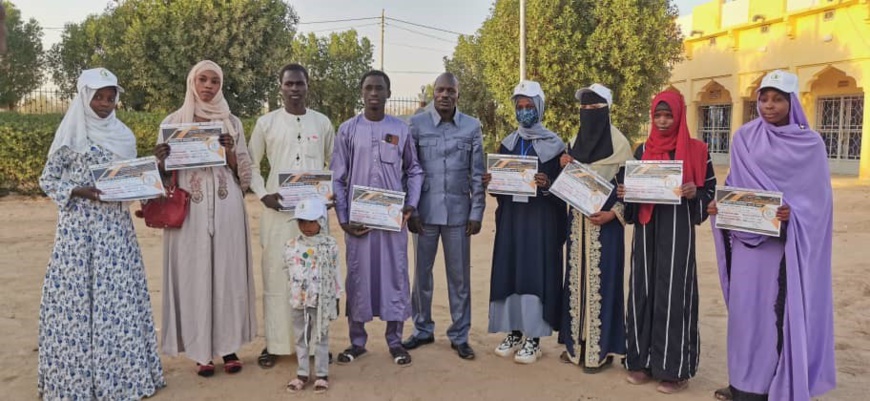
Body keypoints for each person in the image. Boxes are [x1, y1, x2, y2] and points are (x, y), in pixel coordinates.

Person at [708, 70, 836, 401]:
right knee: (744, 315)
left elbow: (819, 204)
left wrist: (794, 214)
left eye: (777, 99)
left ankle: (770, 386)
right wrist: (722, 207)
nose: (768, 105)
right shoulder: (744, 137)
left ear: (792, 102)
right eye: (763, 98)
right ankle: (742, 383)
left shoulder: (810, 145)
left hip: (783, 250)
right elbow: (736, 185)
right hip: (749, 245)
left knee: (772, 315)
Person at [38, 68, 165, 399]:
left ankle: (122, 380)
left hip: (115, 232)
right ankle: (75, 383)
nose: (106, 103)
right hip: (78, 235)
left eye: (111, 97)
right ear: (84, 96)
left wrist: (157, 168)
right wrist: (80, 190)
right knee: (76, 303)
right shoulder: (71, 137)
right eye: (99, 97)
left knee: (117, 302)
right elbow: (48, 180)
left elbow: (136, 185)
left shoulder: (123, 136)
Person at [153, 60, 257, 377]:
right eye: (203, 79)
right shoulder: (173, 122)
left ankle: (228, 348)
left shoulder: (231, 122)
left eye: (214, 81)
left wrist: (228, 152)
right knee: (194, 275)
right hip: (190, 210)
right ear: (192, 82)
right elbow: (163, 178)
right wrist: (160, 161)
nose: (209, 86)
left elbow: (245, 175)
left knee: (226, 275)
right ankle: (201, 352)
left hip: (227, 209)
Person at [619, 90, 715, 393]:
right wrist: (626, 194)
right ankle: (641, 361)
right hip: (647, 231)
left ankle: (674, 370)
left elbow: (710, 192)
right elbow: (630, 196)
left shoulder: (698, 151)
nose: (662, 121)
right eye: (657, 115)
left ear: (679, 115)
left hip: (677, 233)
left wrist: (693, 193)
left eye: (668, 115)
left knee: (674, 294)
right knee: (642, 290)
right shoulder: (641, 150)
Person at [331, 70, 424, 366]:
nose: (373, 93)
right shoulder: (347, 129)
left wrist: (411, 205)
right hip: (359, 224)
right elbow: (338, 177)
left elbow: (414, 170)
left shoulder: (401, 129)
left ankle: (395, 341)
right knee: (358, 277)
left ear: (388, 93)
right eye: (368, 88)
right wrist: (344, 218)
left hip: (392, 220)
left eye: (379, 88)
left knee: (395, 276)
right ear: (361, 92)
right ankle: (357, 341)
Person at [249, 63, 335, 368]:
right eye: (289, 84)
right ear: (281, 87)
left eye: (300, 83)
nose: (295, 89)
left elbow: (333, 165)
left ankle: (316, 344)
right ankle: (276, 344)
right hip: (277, 211)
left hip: (314, 215)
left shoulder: (322, 122)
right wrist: (263, 195)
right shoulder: (266, 123)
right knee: (277, 273)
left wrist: (329, 195)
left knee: (316, 276)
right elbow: (249, 163)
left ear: (308, 85)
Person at [402, 72, 485, 360]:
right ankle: (422, 329)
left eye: (450, 90)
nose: (445, 95)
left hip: (459, 216)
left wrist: (477, 212)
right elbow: (408, 170)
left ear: (458, 95)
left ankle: (460, 334)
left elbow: (477, 174)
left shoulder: (472, 127)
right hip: (424, 215)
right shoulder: (416, 124)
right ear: (433, 92)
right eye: (440, 90)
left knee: (459, 278)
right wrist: (410, 208)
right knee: (421, 276)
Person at [487, 80, 566, 364]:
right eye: (519, 107)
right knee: (510, 271)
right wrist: (492, 183)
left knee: (534, 273)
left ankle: (533, 336)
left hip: (540, 222)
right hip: (512, 221)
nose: (523, 112)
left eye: (529, 106)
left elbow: (564, 190)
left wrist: (548, 184)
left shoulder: (556, 146)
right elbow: (500, 190)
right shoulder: (507, 143)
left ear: (540, 107)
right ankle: (514, 331)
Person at [557, 84, 633, 373]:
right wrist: (565, 164)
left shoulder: (621, 146)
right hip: (577, 226)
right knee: (577, 281)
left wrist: (614, 215)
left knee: (603, 284)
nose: (588, 113)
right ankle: (576, 346)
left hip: (607, 229)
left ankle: (600, 351)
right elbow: (570, 182)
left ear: (607, 110)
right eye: (584, 109)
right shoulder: (575, 140)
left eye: (595, 108)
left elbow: (631, 192)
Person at [283, 198, 342, 393]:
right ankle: (302, 373)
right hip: (299, 301)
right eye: (301, 221)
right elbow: (287, 270)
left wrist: (336, 296)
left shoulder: (330, 245)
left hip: (321, 300)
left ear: (322, 221)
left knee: (321, 337)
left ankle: (322, 374)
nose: (306, 226)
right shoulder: (291, 245)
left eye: (311, 221)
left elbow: (336, 272)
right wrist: (295, 289)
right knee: (301, 337)